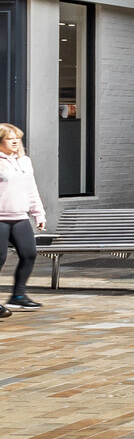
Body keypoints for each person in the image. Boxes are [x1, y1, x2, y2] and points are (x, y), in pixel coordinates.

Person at [0, 123, 46, 313]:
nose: (15, 142)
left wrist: (38, 213)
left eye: (17, 138)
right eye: (10, 138)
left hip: (20, 217)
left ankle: (18, 296)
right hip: (0, 218)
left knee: (29, 254)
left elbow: (31, 188)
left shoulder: (25, 161)